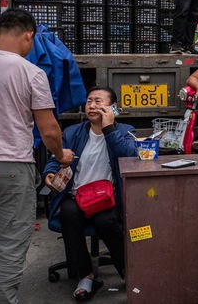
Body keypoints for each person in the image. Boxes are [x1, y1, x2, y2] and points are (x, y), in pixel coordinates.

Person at [0, 8, 74, 304]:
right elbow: (50, 131)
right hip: (12, 166)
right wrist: (61, 155)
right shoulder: (30, 72)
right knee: (11, 240)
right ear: (29, 35)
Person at [42, 86, 137, 300]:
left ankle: (130, 273)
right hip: (77, 196)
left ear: (113, 107)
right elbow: (54, 159)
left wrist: (109, 128)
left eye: (98, 101)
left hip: (107, 199)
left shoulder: (124, 131)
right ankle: (85, 275)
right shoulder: (72, 133)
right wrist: (49, 174)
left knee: (105, 222)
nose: (92, 105)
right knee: (68, 212)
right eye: (88, 101)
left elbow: (129, 157)